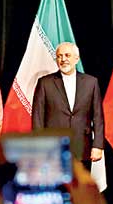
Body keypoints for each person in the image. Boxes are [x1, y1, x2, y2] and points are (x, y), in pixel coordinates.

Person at [32, 42, 104, 170]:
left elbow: (98, 117)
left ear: (76, 59)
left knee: (81, 189)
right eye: (59, 56)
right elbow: (37, 117)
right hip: (52, 151)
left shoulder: (91, 82)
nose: (63, 59)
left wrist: (98, 145)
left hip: (82, 149)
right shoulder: (44, 83)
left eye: (67, 55)